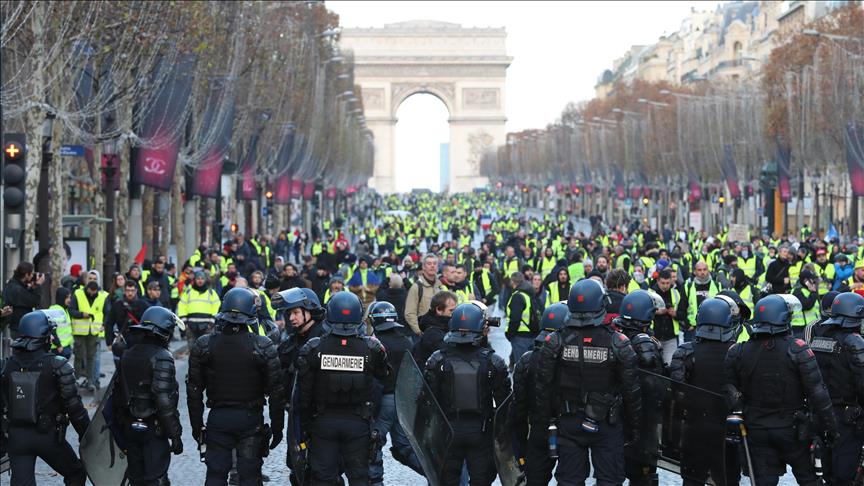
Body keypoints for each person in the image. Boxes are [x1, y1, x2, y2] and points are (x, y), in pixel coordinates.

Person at [534, 279, 641, 486]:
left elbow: (543, 387)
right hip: (607, 424)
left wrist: (547, 421)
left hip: (569, 421)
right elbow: (632, 391)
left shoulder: (555, 341)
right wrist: (634, 428)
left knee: (569, 481)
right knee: (610, 481)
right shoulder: (618, 342)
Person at [724, 294, 838, 486]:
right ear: (784, 319)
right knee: (810, 480)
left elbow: (728, 389)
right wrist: (831, 429)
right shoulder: (798, 349)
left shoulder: (738, 351)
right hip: (793, 431)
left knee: (764, 482)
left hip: (757, 429)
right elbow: (818, 394)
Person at [187, 287, 285, 486]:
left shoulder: (204, 345)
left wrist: (196, 426)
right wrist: (277, 427)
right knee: (250, 477)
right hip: (250, 420)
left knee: (215, 476)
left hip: (218, 418)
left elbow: (194, 390)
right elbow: (276, 391)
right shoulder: (262, 345)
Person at [295, 291, 389, 485]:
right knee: (359, 477)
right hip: (358, 423)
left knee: (323, 477)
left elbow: (304, 393)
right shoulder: (372, 347)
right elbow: (384, 377)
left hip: (323, 422)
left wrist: (304, 426)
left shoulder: (314, 347)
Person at [424, 301, 511, 486]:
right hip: (480, 432)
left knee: (447, 481)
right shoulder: (493, 362)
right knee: (481, 481)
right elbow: (505, 404)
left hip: (448, 432)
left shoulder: (437, 359)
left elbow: (426, 400)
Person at [0, 311, 90, 486]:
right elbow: (75, 408)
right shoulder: (58, 364)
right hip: (47, 437)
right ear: (45, 337)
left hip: (16, 439)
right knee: (76, 473)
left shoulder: (5, 365)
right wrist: (86, 436)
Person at [669, 297, 743, 486]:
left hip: (694, 430)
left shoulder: (685, 351)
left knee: (693, 481)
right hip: (727, 432)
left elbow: (676, 392)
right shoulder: (738, 352)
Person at [112, 306, 184, 485]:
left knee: (136, 478)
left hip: (130, 426)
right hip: (154, 428)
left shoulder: (127, 354)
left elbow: (117, 393)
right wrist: (175, 435)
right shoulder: (162, 357)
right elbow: (164, 400)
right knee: (155, 478)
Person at [366, 301, 424, 484]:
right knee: (403, 447)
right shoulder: (407, 341)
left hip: (383, 401)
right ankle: (439, 474)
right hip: (403, 401)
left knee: (372, 445)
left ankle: (375, 482)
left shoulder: (374, 343)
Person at [809, 292, 864, 486]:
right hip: (847, 416)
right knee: (844, 474)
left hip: (820, 413)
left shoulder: (818, 339)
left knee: (827, 470)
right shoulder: (854, 342)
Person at [513, 303, 569, 486]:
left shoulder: (527, 359)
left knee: (535, 479)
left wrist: (520, 444)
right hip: (569, 428)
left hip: (538, 427)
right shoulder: (573, 358)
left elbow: (518, 406)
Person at [612, 290, 664, 486]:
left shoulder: (615, 338)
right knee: (643, 477)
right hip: (641, 422)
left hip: (615, 418)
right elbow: (656, 385)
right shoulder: (645, 344)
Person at [70, 280, 109, 391]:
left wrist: (104, 324)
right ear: (87, 289)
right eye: (90, 292)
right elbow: (71, 310)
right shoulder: (78, 293)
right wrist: (82, 314)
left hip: (94, 331)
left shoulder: (102, 297)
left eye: (94, 292)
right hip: (79, 331)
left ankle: (90, 381)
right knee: (79, 355)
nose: (92, 294)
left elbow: (107, 312)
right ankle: (76, 379)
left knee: (91, 357)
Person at [104, 280, 149, 362]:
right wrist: (109, 342)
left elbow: (149, 323)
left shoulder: (143, 305)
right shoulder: (117, 305)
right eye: (128, 290)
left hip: (139, 341)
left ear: (136, 291)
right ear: (124, 291)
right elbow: (109, 323)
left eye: (132, 291)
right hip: (123, 340)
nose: (130, 293)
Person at [413, 290, 458, 368]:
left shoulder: (444, 327)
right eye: (451, 310)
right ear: (439, 310)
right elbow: (454, 355)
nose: (455, 314)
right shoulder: (432, 333)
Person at [677, 261, 720, 343]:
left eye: (704, 269)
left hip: (713, 329)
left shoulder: (718, 286)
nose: (702, 272)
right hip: (693, 330)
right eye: (699, 270)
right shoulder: (687, 287)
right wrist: (687, 325)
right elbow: (681, 309)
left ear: (708, 270)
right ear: (694, 272)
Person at [1, 261, 46, 338]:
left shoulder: (15, 285)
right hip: (19, 329)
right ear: (26, 275)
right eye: (31, 274)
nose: (33, 276)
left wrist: (32, 288)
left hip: (20, 327)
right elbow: (35, 301)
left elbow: (26, 297)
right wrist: (38, 285)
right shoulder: (16, 289)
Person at [177, 270, 221, 346]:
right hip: (191, 327)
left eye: (202, 278)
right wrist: (185, 323)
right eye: (198, 278)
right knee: (192, 351)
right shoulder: (188, 292)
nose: (200, 280)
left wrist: (211, 322)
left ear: (205, 280)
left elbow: (216, 307)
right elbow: (181, 306)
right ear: (195, 280)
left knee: (206, 350)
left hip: (207, 327)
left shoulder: (211, 292)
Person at [405, 253, 444, 336]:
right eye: (429, 264)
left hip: (440, 332)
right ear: (423, 267)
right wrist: (419, 332)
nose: (432, 266)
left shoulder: (441, 286)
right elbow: (409, 313)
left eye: (434, 263)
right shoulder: (416, 287)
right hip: (423, 333)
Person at [506, 272, 538, 367]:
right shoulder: (527, 294)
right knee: (529, 366)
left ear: (512, 281)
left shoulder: (517, 296)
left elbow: (515, 318)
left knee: (521, 367)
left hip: (520, 336)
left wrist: (510, 334)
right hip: (530, 334)